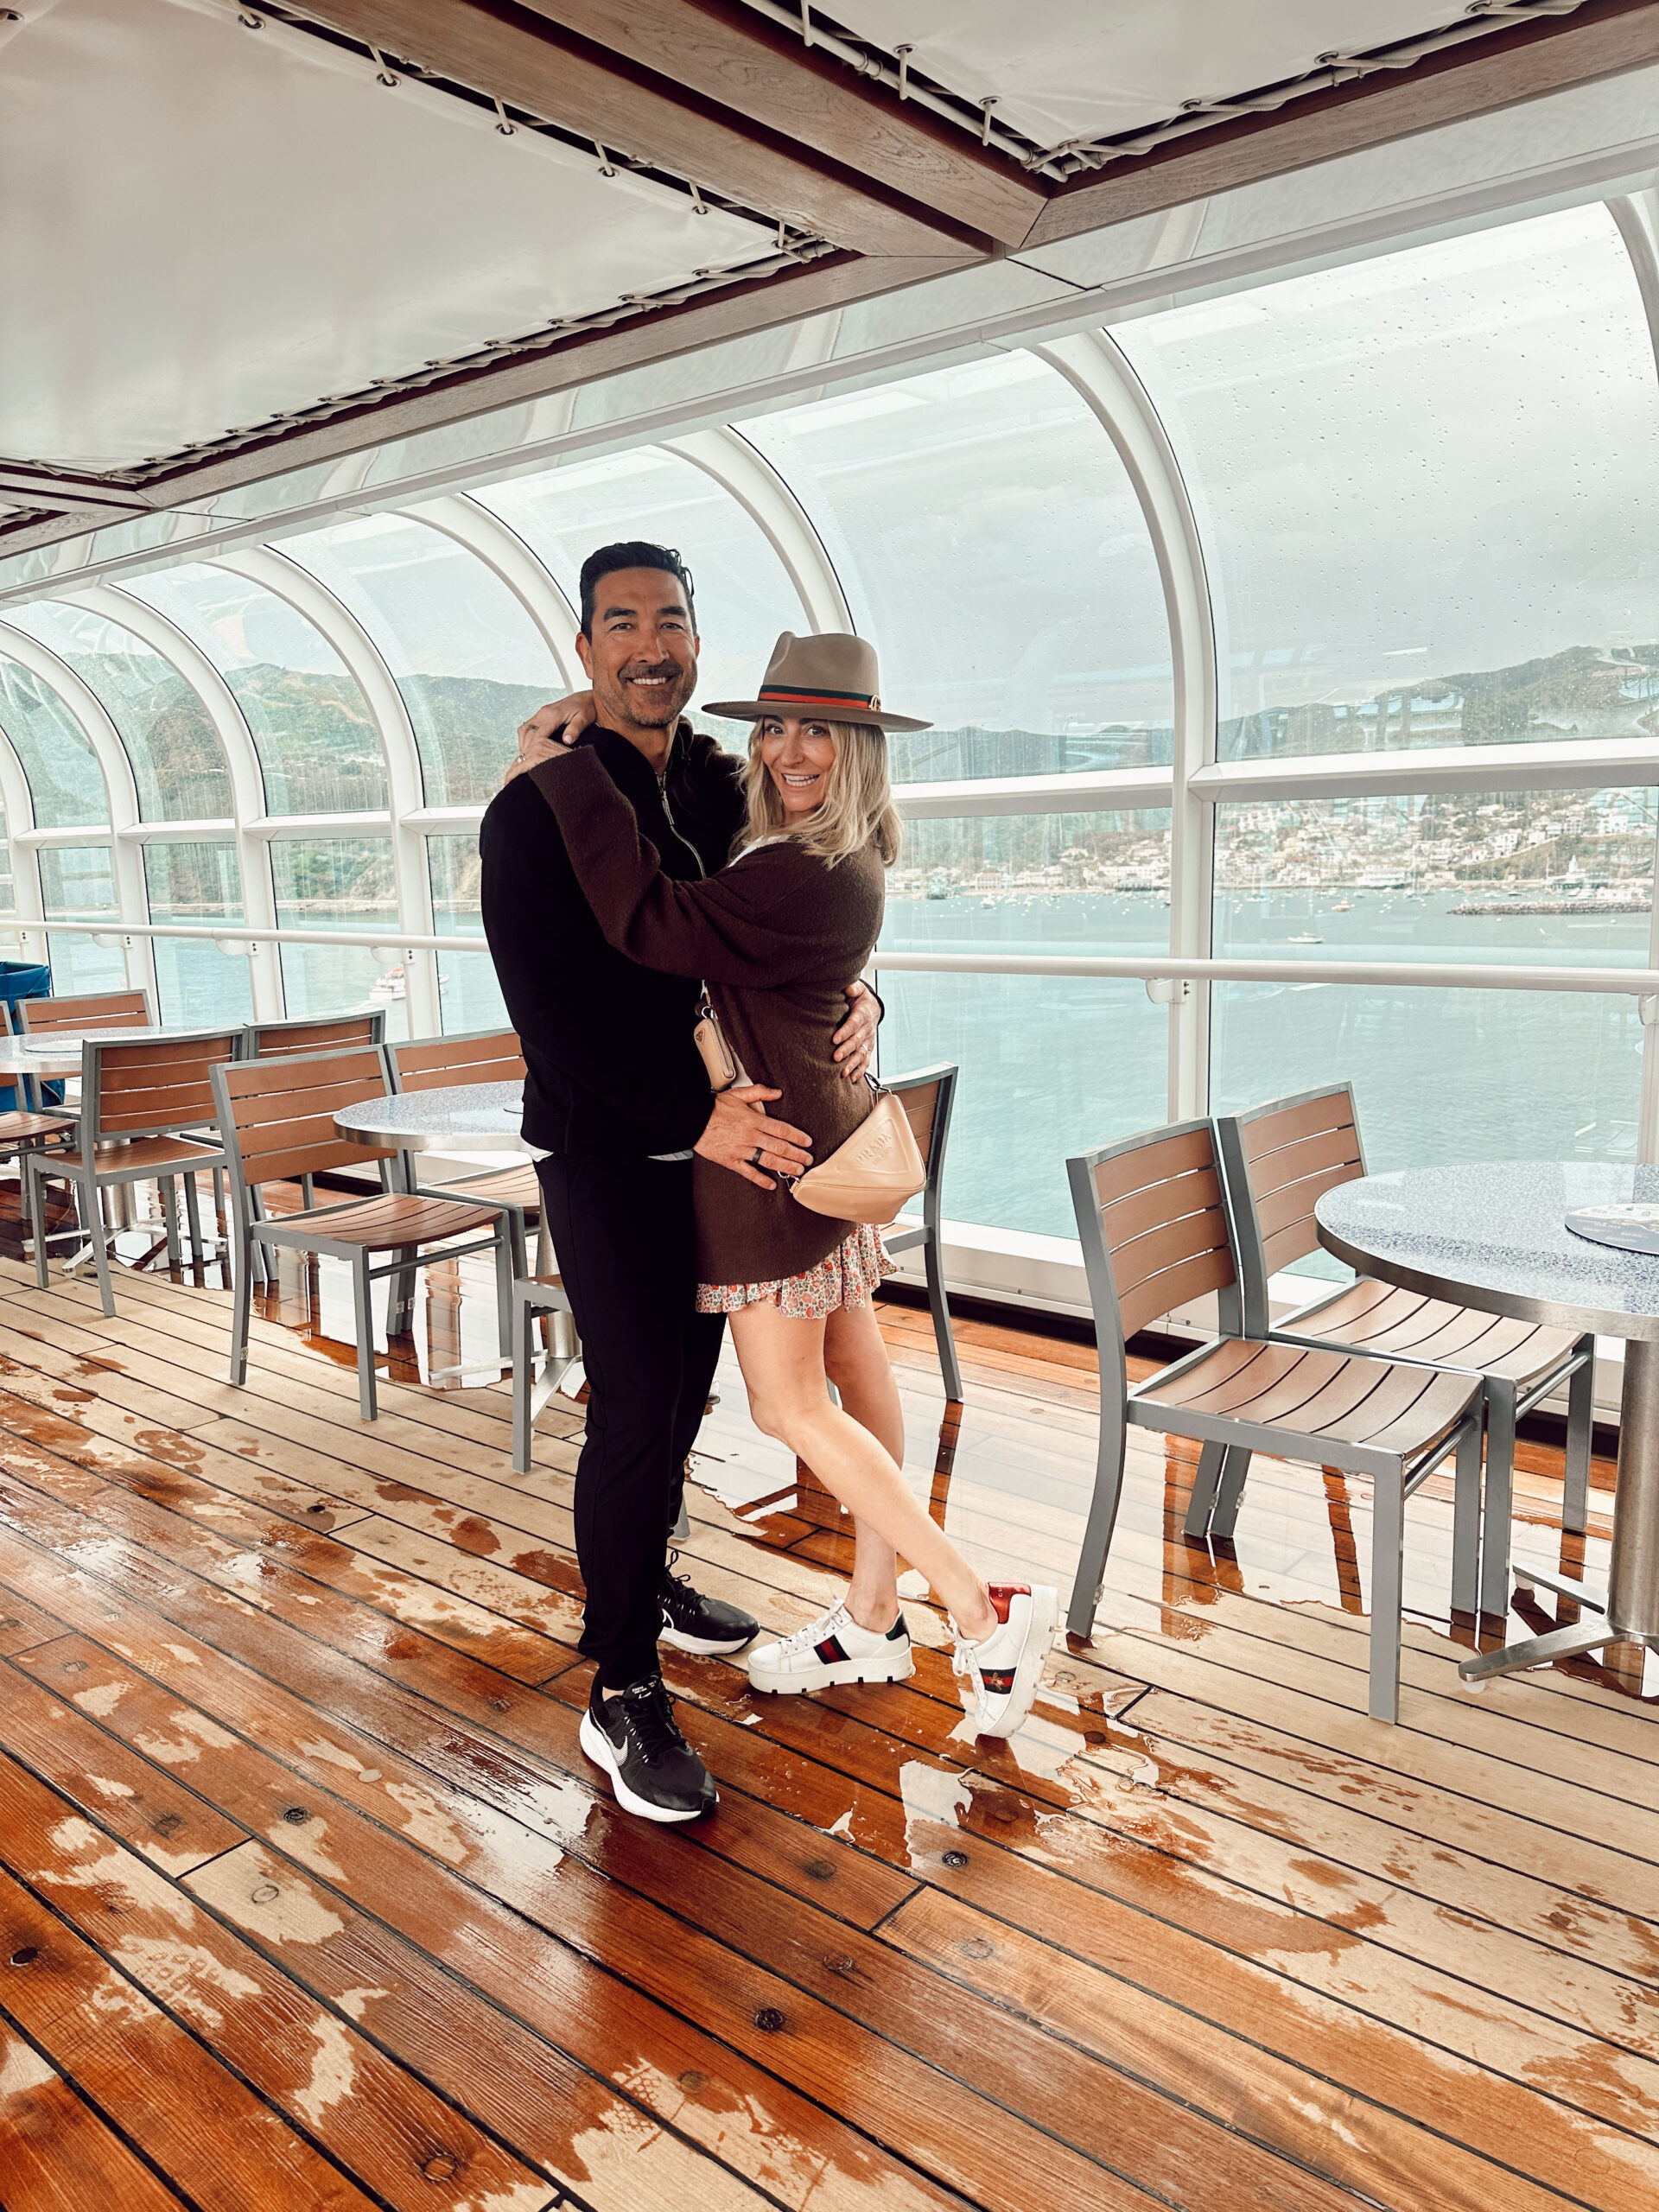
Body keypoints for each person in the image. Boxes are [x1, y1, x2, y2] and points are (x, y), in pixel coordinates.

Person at [520, 629, 1058, 1822]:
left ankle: (978, 1607)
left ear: (862, 746)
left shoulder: (806, 867)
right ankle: (870, 1618)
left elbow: (651, 923)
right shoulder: (819, 849)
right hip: (826, 1143)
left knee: (787, 1406)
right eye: (775, 724)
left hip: (773, 1169)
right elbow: (777, 950)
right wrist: (860, 995)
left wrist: (555, 773)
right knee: (862, 1385)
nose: (790, 747)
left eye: (820, 728)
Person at [480, 543, 881, 1826]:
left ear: (698, 644)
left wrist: (858, 995)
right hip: (609, 1149)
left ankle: (645, 1577)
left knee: (689, 1402)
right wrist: (692, 1121)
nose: (652, 646)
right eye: (624, 623)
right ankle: (621, 1689)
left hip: (723, 1150)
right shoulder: (533, 806)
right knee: (636, 1411)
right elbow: (550, 1022)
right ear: (586, 643)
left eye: (674, 622)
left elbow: (782, 926)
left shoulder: (722, 786)